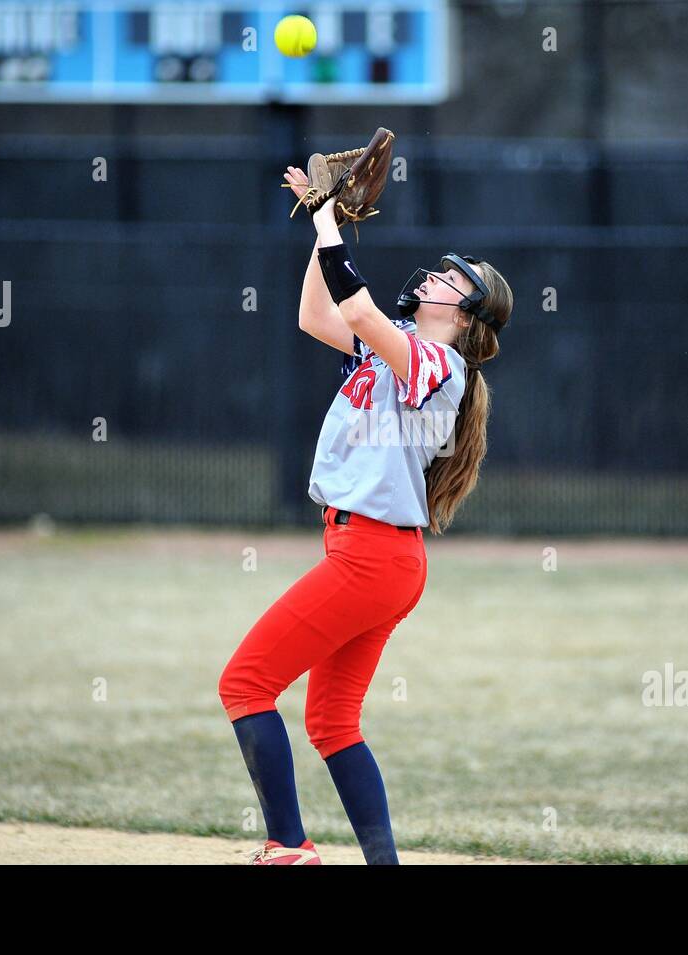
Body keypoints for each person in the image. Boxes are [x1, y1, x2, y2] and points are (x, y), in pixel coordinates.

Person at [217, 166, 514, 864]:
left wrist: (326, 218)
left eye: (452, 278)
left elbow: (356, 312)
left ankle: (288, 845)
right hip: (378, 558)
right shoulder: (402, 347)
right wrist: (334, 226)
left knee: (245, 682)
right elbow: (318, 315)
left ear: (466, 313)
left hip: (372, 556)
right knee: (330, 721)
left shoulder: (441, 364)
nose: (437, 278)